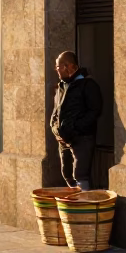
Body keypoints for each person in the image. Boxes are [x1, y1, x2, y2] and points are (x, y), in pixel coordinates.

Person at [50, 51, 103, 191]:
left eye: (58, 67)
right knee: (66, 173)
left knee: (80, 174)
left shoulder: (88, 85)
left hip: (82, 138)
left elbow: (95, 111)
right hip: (64, 140)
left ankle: (84, 205)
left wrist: (75, 128)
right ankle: (76, 200)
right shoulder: (61, 86)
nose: (56, 70)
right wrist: (56, 130)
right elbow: (55, 113)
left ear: (70, 67)